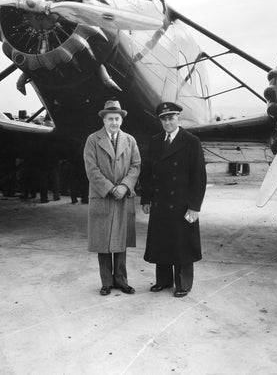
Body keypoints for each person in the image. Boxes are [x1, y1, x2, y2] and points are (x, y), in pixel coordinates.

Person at [141, 102, 207, 297]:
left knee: (182, 244)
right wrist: (146, 198)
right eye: (164, 119)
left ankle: (183, 284)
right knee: (162, 241)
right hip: (160, 201)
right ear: (160, 121)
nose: (168, 122)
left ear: (178, 118)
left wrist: (195, 206)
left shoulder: (191, 141)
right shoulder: (155, 141)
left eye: (171, 118)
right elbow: (148, 172)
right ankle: (163, 280)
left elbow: (199, 177)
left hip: (182, 203)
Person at [84, 100, 141, 296]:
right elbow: (91, 169)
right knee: (103, 241)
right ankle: (106, 282)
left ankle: (122, 281)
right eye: (110, 119)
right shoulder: (93, 139)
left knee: (121, 241)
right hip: (103, 196)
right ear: (104, 120)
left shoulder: (130, 140)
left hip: (123, 196)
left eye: (117, 119)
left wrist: (125, 186)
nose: (114, 122)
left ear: (121, 120)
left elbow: (136, 166)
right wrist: (110, 188)